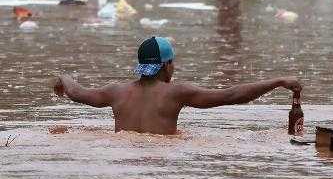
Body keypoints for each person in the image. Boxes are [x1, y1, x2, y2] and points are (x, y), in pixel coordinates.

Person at [52, 36, 302, 135]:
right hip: (162, 157)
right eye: (172, 63)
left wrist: (63, 78)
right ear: (165, 65)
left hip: (123, 157)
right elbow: (231, 95)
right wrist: (278, 81)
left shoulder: (116, 91)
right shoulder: (176, 93)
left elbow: (76, 92)